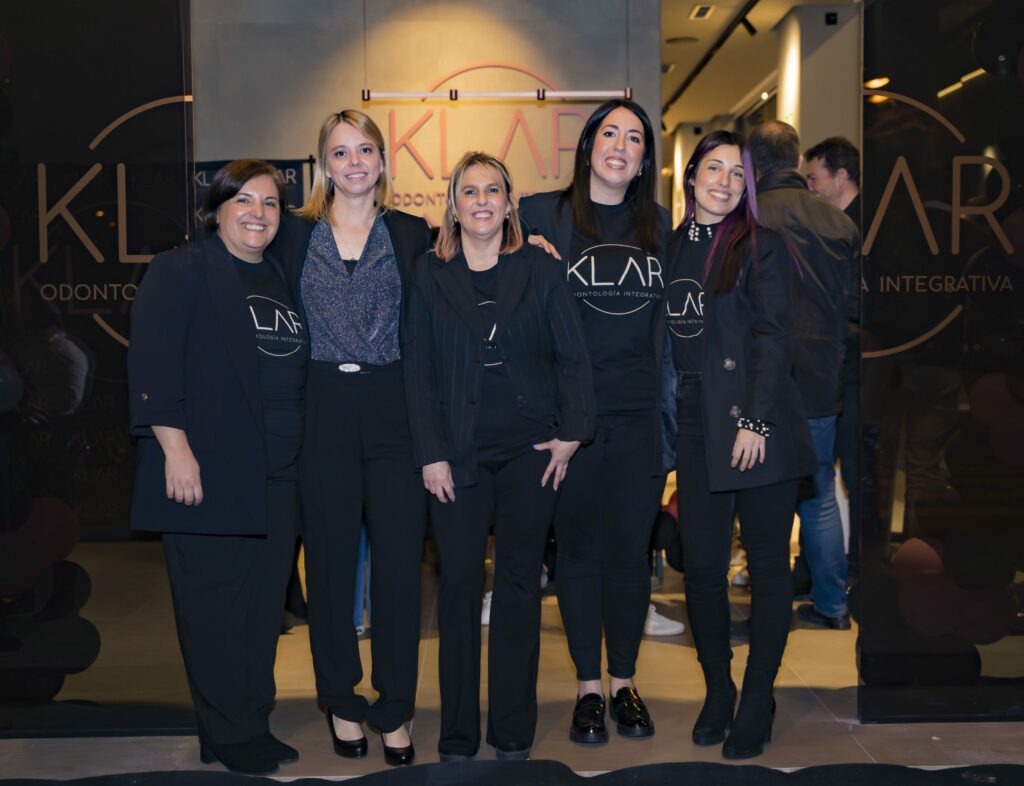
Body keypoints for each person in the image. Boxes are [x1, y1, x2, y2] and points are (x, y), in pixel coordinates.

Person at [403, 151, 595, 761]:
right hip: (455, 456)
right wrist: (430, 453)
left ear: (509, 203)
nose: (481, 201)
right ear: (453, 205)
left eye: (493, 190)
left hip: (529, 452)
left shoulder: (539, 267)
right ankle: (458, 734)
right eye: (470, 191)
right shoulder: (428, 273)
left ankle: (512, 730)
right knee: (458, 586)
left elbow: (573, 356)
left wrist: (573, 432)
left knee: (518, 584)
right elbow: (417, 371)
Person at [129, 160, 304, 775]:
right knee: (214, 611)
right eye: (243, 201)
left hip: (277, 477)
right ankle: (229, 733)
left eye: (270, 203)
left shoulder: (280, 275)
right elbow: (153, 365)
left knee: (261, 613)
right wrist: (175, 452)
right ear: (217, 210)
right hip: (208, 471)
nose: (258, 213)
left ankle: (247, 723)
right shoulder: (181, 269)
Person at [271, 110, 430, 766]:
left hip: (395, 410)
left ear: (382, 159)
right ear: (324, 165)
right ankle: (340, 699)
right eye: (341, 152)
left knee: (399, 567)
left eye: (365, 149)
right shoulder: (292, 234)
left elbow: (471, 267)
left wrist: (531, 242)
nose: (355, 162)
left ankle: (395, 710)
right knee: (331, 567)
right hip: (322, 408)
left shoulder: (412, 232)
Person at [518, 99, 672, 744]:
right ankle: (587, 687)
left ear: (643, 159)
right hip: (569, 420)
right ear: (587, 146)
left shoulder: (660, 225)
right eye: (610, 132)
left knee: (631, 554)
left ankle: (624, 683)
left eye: (634, 138)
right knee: (578, 553)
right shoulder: (539, 214)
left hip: (639, 416)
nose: (620, 145)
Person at [664, 130, 815, 759]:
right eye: (714, 168)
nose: (724, 182)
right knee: (701, 568)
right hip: (695, 423)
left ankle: (757, 698)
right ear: (691, 176)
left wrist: (755, 421)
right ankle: (719, 689)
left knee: (768, 569)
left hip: (757, 423)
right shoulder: (670, 246)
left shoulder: (761, 244)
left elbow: (776, 336)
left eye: (736, 173)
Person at [748, 121, 860, 630]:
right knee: (819, 500)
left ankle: (768, 612)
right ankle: (833, 605)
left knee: (762, 503)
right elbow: (854, 305)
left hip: (763, 382)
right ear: (795, 160)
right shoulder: (840, 223)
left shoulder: (748, 216)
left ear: (752, 163)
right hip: (821, 379)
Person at [804, 136, 862, 582]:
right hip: (836, 374)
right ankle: (824, 577)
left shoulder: (858, 230)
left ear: (841, 176)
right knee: (825, 484)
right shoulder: (828, 228)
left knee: (851, 481)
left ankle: (855, 575)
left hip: (860, 376)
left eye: (814, 177)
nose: (809, 188)